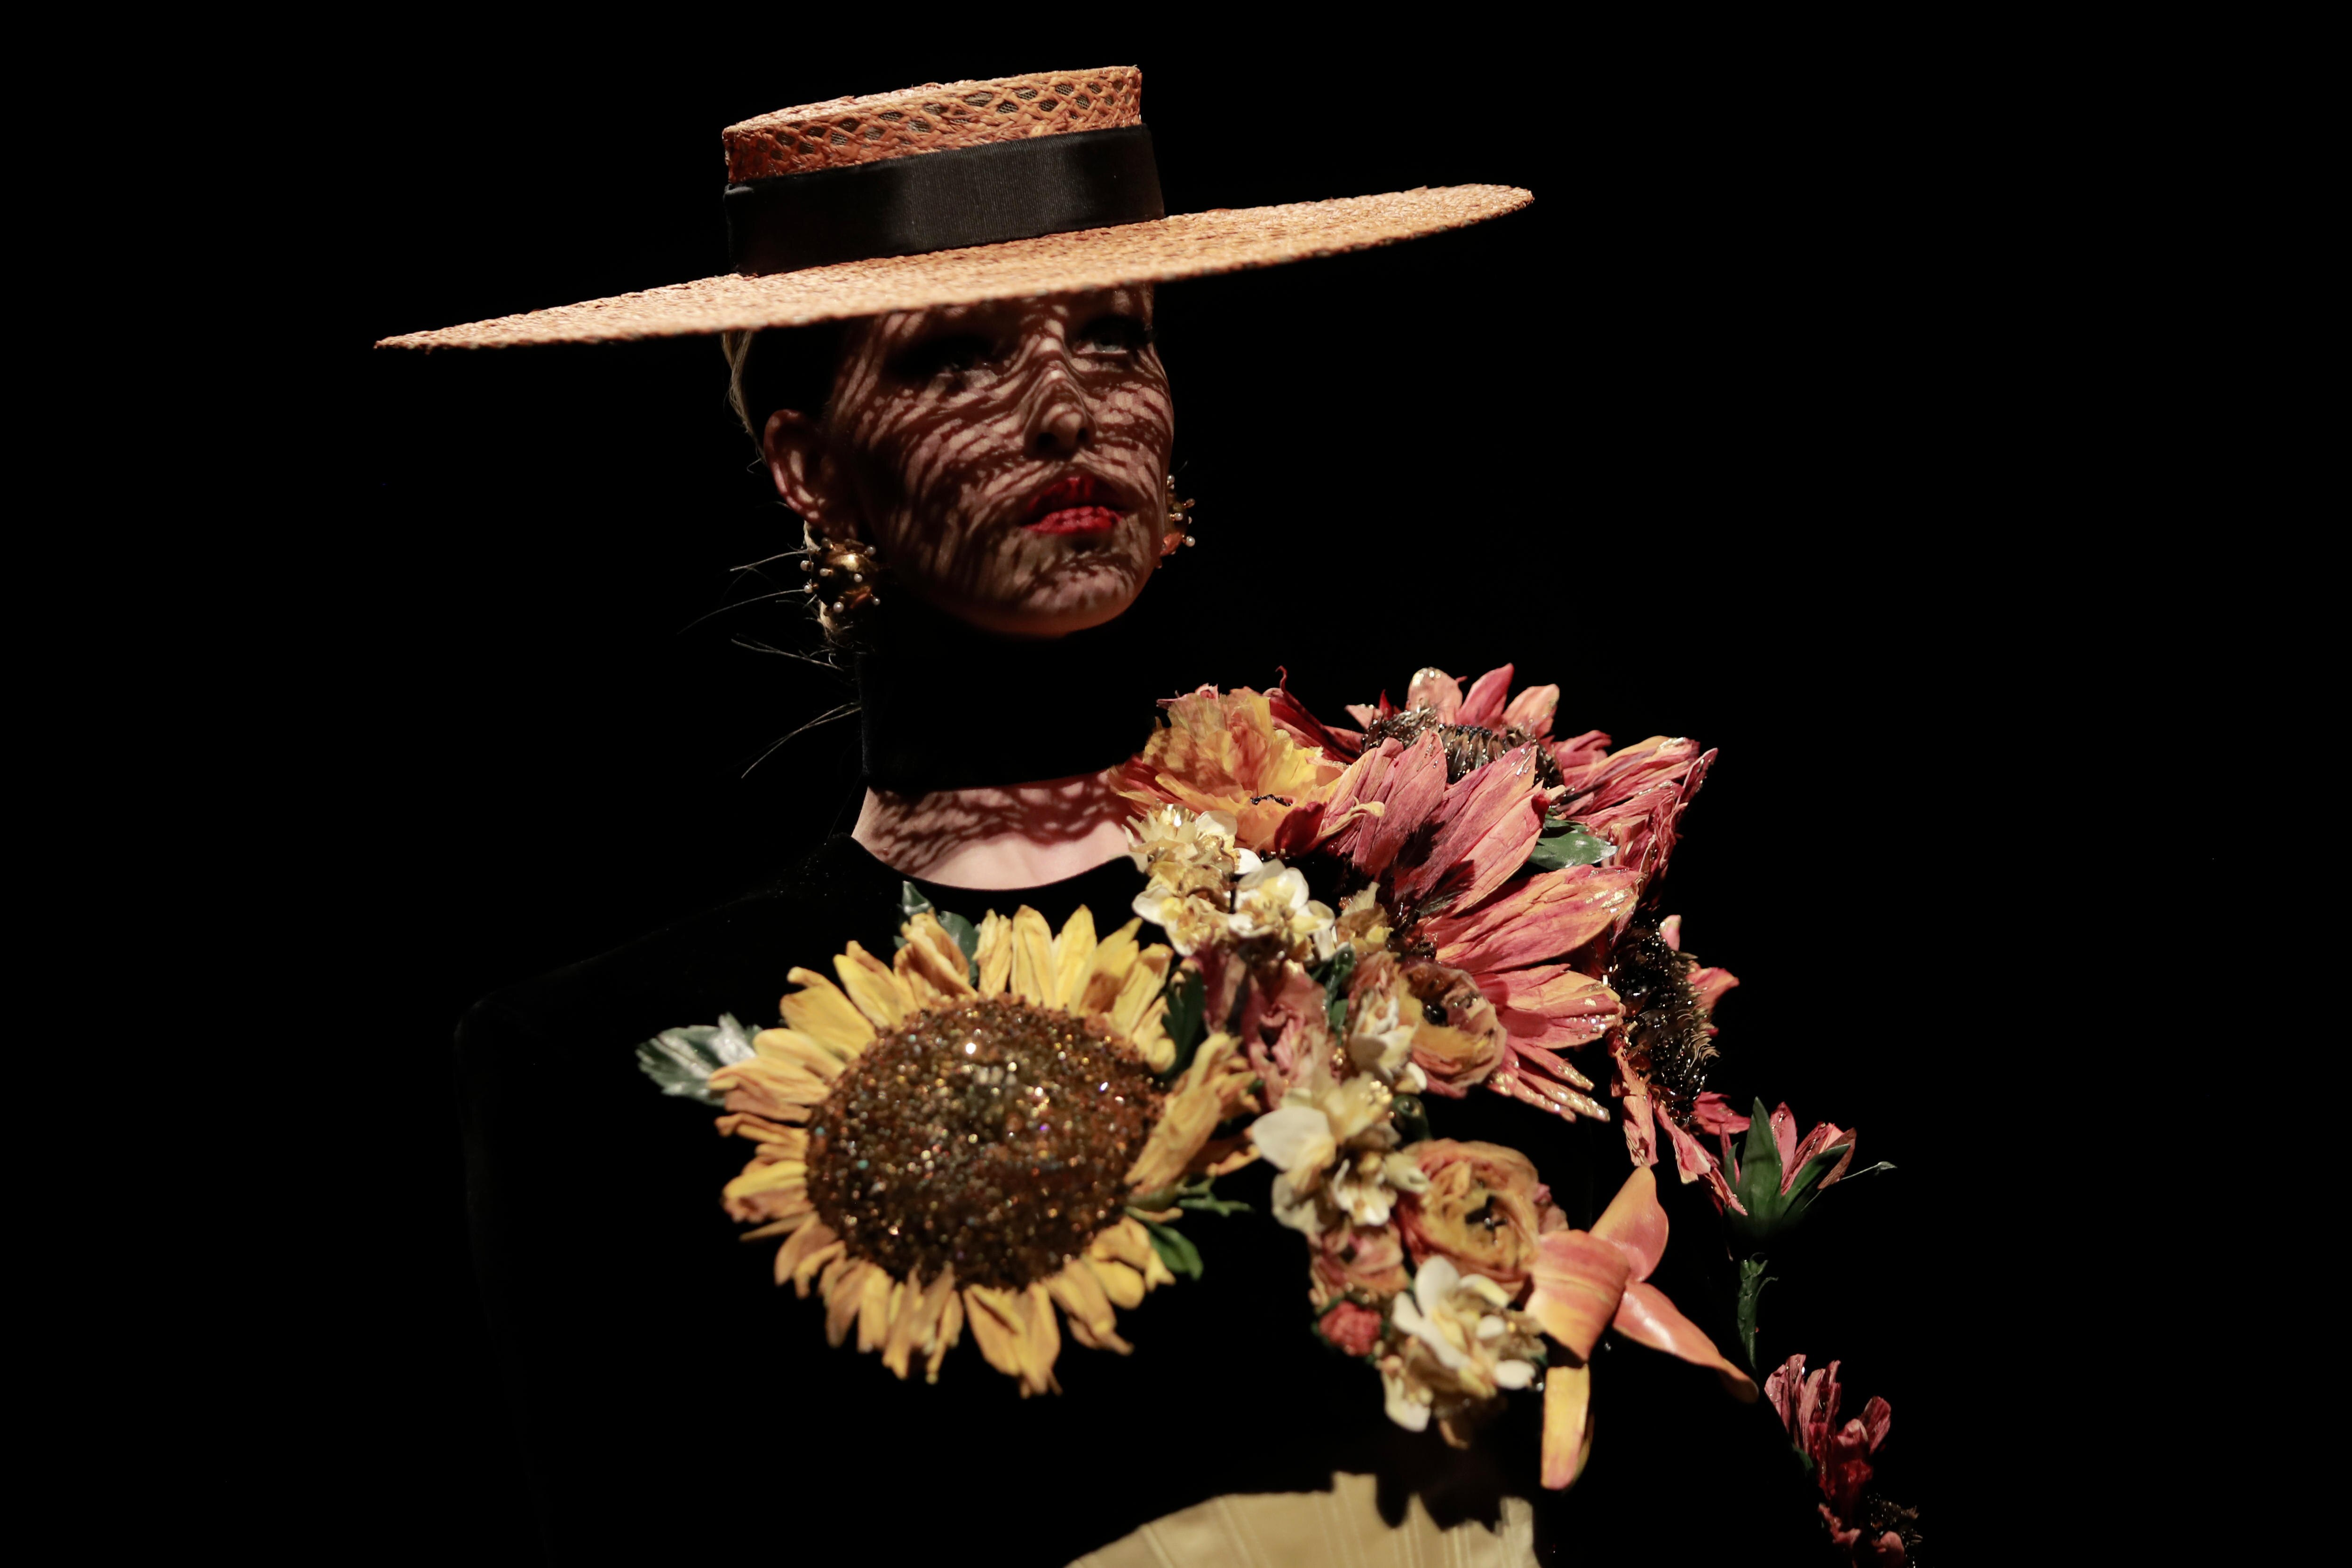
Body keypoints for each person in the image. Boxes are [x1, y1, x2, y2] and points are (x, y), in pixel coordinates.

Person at [396, 67, 1817, 1566]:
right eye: (954, 355)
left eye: (1114, 336)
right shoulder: (604, 1065)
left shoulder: (1435, 888)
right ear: (808, 465)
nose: (1066, 405)